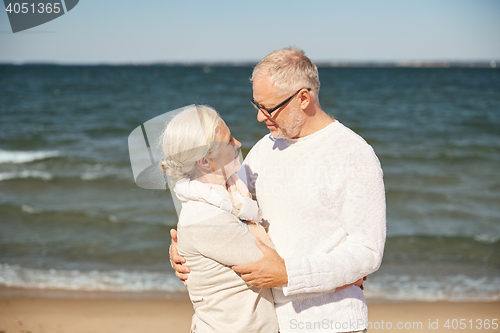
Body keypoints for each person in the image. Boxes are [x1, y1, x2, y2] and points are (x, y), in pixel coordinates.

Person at [171, 48, 386, 333]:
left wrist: (289, 274)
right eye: (256, 105)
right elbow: (221, 206)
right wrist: (185, 248)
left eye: (268, 108)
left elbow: (367, 252)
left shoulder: (353, 154)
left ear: (304, 98)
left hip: (331, 323)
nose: (260, 118)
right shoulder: (264, 149)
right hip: (270, 323)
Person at [161, 105, 278, 333]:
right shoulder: (206, 217)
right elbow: (273, 265)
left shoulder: (231, 194)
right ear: (205, 161)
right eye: (229, 140)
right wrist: (339, 275)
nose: (238, 144)